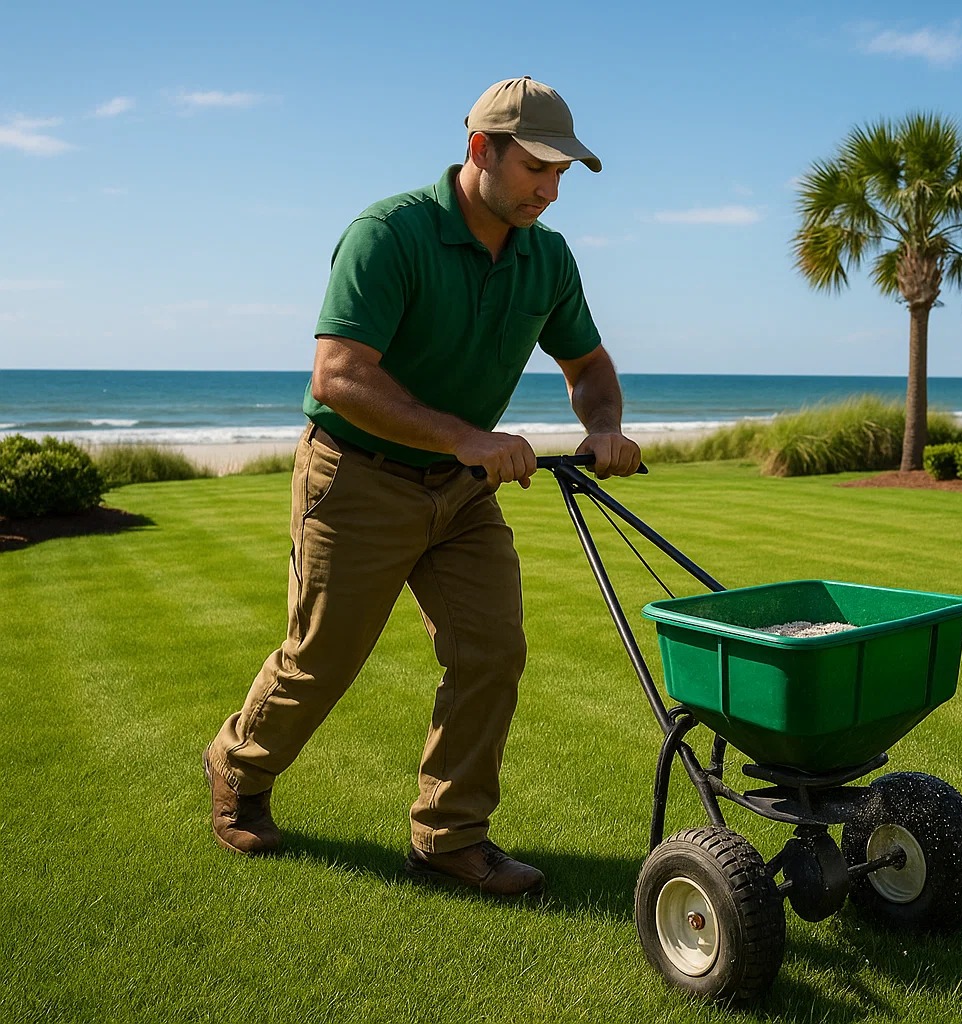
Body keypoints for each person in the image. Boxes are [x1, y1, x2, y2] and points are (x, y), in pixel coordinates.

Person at [203, 77, 641, 899]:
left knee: (491, 651)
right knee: (320, 659)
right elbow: (338, 376)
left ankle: (448, 837)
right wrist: (468, 436)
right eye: (537, 169)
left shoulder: (546, 257)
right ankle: (237, 766)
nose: (550, 191)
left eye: (563, 175)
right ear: (482, 150)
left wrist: (605, 426)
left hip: (463, 493)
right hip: (357, 478)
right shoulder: (388, 235)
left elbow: (589, 366)